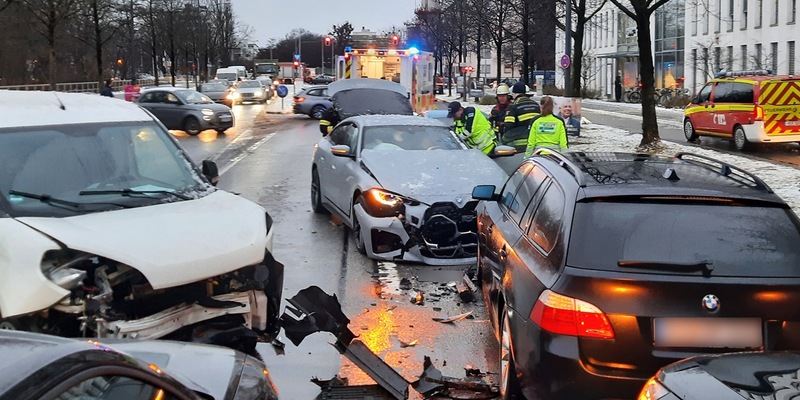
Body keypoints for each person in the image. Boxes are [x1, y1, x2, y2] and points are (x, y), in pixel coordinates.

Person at [501, 81, 541, 151]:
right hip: (536, 140)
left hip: (520, 144)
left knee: (504, 139)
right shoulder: (536, 105)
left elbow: (508, 126)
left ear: (514, 94)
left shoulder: (513, 106)